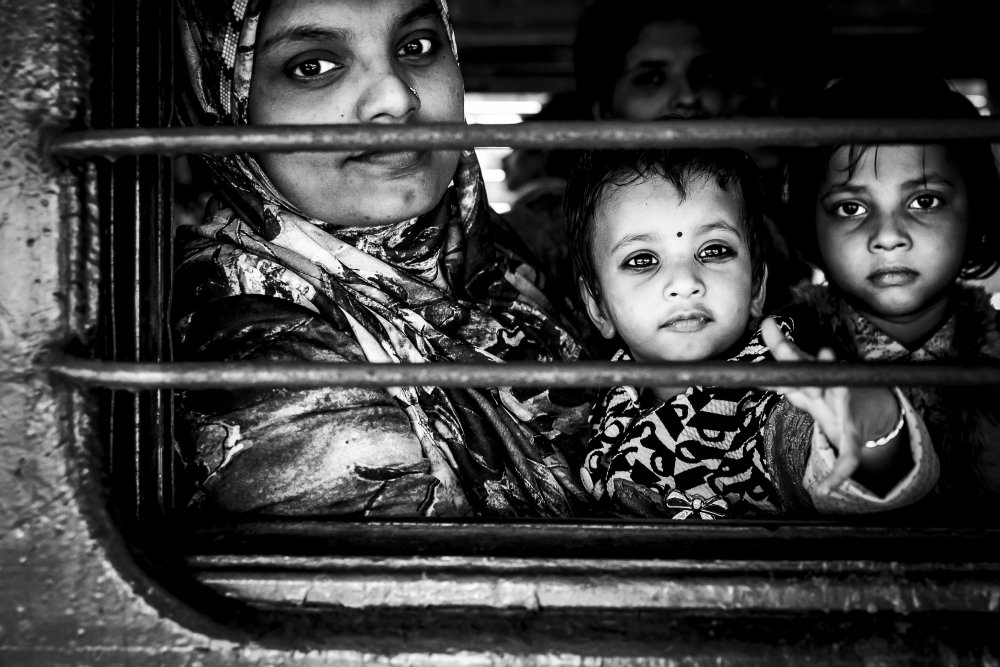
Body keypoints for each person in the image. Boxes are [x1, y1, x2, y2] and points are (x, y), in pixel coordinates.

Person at [170, 0, 593, 519]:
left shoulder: (495, 259)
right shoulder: (258, 352)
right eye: (314, 66)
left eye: (415, 47)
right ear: (228, 106)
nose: (394, 97)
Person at [563, 147, 939, 519]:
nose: (684, 281)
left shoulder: (773, 398)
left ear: (756, 285)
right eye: (642, 260)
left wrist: (871, 427)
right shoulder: (602, 398)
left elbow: (847, 472)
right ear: (597, 305)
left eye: (714, 251)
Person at [505, 0, 821, 326]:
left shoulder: (761, 225)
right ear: (605, 111)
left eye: (705, 74)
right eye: (652, 79)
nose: (687, 96)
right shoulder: (541, 234)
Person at [783, 75, 1000, 518]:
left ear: (976, 214)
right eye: (851, 208)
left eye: (924, 201)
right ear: (811, 226)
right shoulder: (789, 352)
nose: (887, 236)